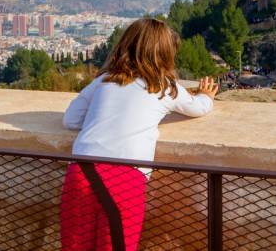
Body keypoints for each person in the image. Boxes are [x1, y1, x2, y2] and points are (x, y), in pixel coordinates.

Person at [60, 18, 218, 251]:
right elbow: (199, 108)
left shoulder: (104, 80)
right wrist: (206, 95)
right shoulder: (165, 86)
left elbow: (70, 120)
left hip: (82, 174)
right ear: (165, 53)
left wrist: (102, 114)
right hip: (125, 180)